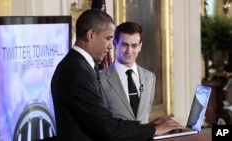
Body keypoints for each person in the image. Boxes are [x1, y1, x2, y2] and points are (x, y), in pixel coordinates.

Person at [51, 9, 184, 141]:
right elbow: (107, 128)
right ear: (91, 34)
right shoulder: (79, 73)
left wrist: (146, 126)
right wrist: (154, 130)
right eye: (108, 39)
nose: (110, 47)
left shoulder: (74, 64)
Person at [99, 21, 155, 124]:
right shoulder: (101, 79)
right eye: (124, 45)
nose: (129, 51)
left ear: (140, 47)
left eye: (134, 46)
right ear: (115, 44)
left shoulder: (150, 78)